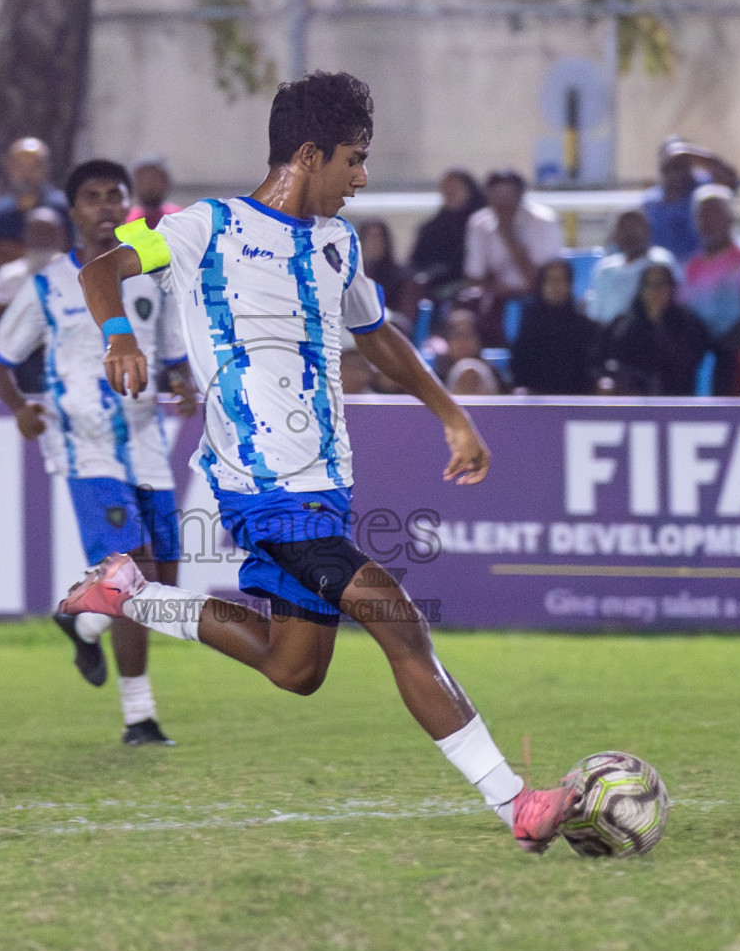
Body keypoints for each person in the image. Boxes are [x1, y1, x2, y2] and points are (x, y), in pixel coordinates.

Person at [74, 70, 581, 852]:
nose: (363, 176)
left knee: (295, 667)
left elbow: (376, 335)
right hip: (257, 486)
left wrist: (450, 412)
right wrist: (118, 336)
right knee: (399, 621)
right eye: (354, 158)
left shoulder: (338, 244)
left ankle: (134, 595)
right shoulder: (202, 227)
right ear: (308, 155)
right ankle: (516, 804)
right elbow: (102, 266)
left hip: (324, 486)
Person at [0, 159, 196, 745]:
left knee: (161, 585)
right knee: (131, 574)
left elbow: (175, 356)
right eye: (92, 197)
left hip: (147, 444)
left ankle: (81, 622)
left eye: (114, 196)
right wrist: (22, 411)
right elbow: (0, 364)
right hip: (85, 448)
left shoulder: (151, 275)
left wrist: (184, 385)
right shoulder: (50, 284)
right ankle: (140, 717)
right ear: (75, 210)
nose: (104, 206)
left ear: (128, 204)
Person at [680, 185, 740, 397]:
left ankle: (727, 418)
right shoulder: (691, 266)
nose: (709, 221)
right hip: (707, 343)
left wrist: (720, 346)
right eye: (703, 215)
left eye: (715, 214)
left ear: (730, 219)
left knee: (730, 359)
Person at [463, 170, 564, 344]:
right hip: (493, 301)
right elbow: (474, 277)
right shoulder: (478, 223)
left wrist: (508, 236)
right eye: (497, 195)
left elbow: (542, 280)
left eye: (508, 195)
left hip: (535, 301)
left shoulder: (543, 221)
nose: (502, 202)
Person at [597, 263, 710, 396]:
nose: (655, 291)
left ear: (671, 288)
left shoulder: (688, 324)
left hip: (675, 399)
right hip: (632, 401)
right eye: (649, 285)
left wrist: (658, 326)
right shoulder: (623, 324)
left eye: (661, 285)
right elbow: (609, 359)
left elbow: (688, 362)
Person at [509, 258, 601, 396]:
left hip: (578, 402)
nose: (556, 286)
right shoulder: (529, 327)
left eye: (561, 280)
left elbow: (591, 370)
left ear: (570, 284)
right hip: (536, 404)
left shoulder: (587, 328)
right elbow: (520, 370)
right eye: (550, 280)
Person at [641, 136, 740, 262]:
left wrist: (689, 152)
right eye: (669, 167)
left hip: (702, 269)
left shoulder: (703, 188)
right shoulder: (651, 201)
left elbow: (730, 178)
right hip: (665, 274)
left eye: (680, 165)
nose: (675, 173)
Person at [0, 138, 71, 271]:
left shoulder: (61, 208)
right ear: (9, 168)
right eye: (19, 166)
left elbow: (66, 252)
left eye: (33, 167)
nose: (25, 173)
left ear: (45, 168)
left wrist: (8, 249)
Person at [585, 209, 679, 324]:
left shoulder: (661, 262)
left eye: (634, 226)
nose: (629, 232)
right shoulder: (604, 269)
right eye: (623, 227)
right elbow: (594, 312)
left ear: (647, 230)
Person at [408, 169, 484, 294]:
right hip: (432, 282)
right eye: (447, 189)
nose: (451, 193)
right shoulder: (432, 227)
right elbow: (416, 260)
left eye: (455, 189)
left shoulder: (480, 225)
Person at [125, 154, 184, 229]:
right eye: (143, 179)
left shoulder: (180, 218)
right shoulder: (126, 221)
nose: (149, 184)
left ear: (166, 181)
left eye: (155, 178)